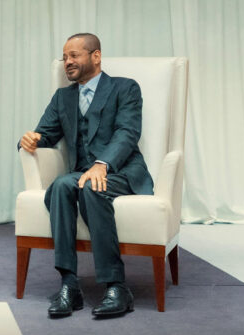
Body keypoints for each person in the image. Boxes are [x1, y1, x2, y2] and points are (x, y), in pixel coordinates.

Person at [18, 33, 153, 318]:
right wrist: (30, 140)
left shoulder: (125, 88)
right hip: (81, 174)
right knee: (61, 185)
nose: (67, 62)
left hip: (122, 172)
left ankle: (117, 287)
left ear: (96, 56)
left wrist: (103, 163)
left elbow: (128, 132)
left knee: (91, 186)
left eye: (74, 55)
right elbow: (45, 134)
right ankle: (69, 285)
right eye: (65, 57)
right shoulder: (63, 97)